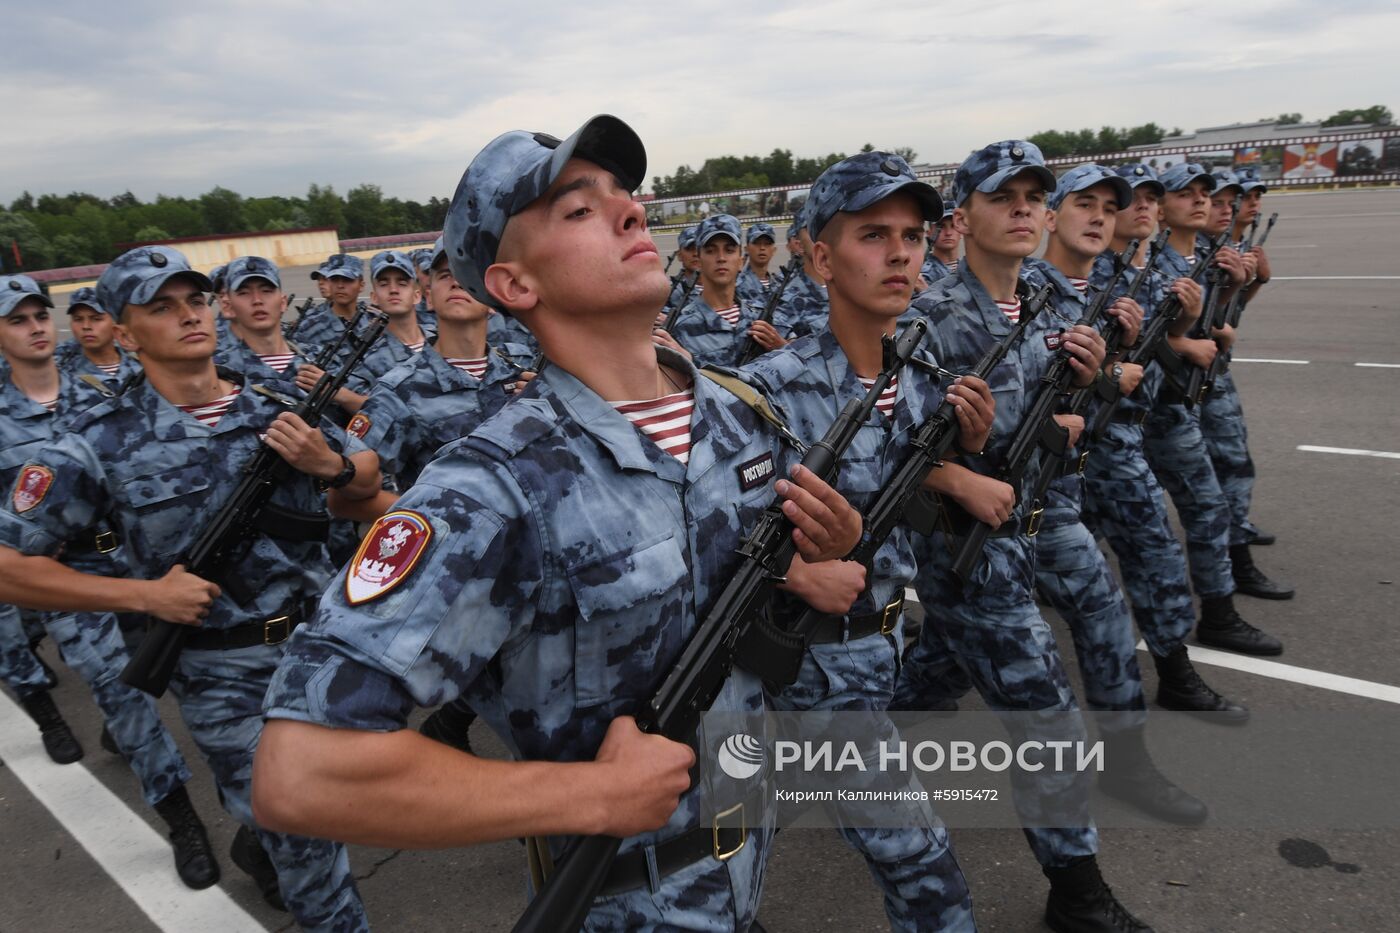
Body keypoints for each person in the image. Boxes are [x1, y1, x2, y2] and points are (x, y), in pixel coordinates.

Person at [252, 114, 862, 932]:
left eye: (626, 197)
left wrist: (817, 556)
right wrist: (590, 793)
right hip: (628, 900)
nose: (631, 213)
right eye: (580, 210)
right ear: (513, 285)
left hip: (748, 864)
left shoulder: (738, 413)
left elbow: (720, 562)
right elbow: (303, 771)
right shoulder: (494, 486)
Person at [0, 246, 382, 930]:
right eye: (161, 307)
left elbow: (364, 488)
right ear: (123, 331)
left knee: (340, 805)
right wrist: (143, 598)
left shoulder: (276, 404)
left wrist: (330, 464)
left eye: (196, 300)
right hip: (220, 671)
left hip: (321, 646)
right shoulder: (93, 443)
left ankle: (259, 839)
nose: (188, 315)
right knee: (308, 848)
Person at [891, 141, 1154, 933]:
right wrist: (955, 475)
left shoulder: (1045, 300)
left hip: (1041, 517)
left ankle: (859, 728)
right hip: (966, 548)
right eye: (1004, 196)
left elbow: (1080, 408)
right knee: (1044, 711)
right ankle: (1076, 891)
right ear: (961, 214)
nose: (1024, 210)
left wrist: (1091, 378)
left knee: (941, 669)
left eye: (1035, 197)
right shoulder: (926, 316)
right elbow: (879, 437)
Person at [738, 151, 989, 931]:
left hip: (883, 644)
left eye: (912, 236)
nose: (901, 254)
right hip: (813, 657)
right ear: (819, 257)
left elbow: (912, 498)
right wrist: (795, 575)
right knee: (925, 869)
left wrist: (959, 459)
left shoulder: (913, 371)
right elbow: (714, 524)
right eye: (872, 234)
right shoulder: (769, 389)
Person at [0, 272, 218, 889]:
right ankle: (180, 817)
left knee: (190, 680)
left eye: (40, 314)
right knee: (121, 690)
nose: (36, 327)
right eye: (17, 319)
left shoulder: (107, 388)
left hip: (143, 558)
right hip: (71, 575)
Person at [1024, 163, 1207, 823]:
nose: (1101, 215)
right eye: (1083, 203)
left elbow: (1128, 390)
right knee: (959, 653)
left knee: (1102, 615)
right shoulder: (1023, 293)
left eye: (1111, 205)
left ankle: (1127, 763)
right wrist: (1105, 377)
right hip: (1001, 506)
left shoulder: (1092, 295)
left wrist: (1123, 354)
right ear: (1051, 217)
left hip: (1060, 494)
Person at [1079, 163, 1251, 721]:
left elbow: (1168, 341)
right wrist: (1166, 346)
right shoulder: (1092, 279)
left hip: (1133, 429)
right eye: (1139, 200)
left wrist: (1195, 323)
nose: (1144, 209)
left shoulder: (1144, 269)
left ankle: (1179, 665)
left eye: (1149, 199)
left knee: (1144, 554)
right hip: (1099, 442)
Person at [1139, 163, 1283, 657]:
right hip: (1152, 409)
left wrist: (1238, 288)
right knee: (1191, 512)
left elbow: (1221, 322)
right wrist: (1184, 342)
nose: (1203, 202)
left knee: (1203, 509)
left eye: (1208, 194)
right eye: (1189, 194)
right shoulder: (1150, 265)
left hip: (1180, 403)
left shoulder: (1201, 257)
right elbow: (1139, 339)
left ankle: (1220, 611)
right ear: (1162, 207)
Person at [1200, 169, 1292, 599]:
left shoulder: (1227, 249)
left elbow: (1230, 314)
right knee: (1223, 470)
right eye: (1221, 201)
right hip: (1189, 381)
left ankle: (1235, 539)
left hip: (1210, 374)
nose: (1239, 207)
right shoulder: (1199, 254)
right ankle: (1234, 560)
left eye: (1248, 198)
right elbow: (1209, 323)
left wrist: (1253, 282)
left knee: (1226, 467)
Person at [658, 214, 792, 368]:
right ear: (699, 262)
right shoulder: (680, 329)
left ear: (741, 261)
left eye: (729, 250)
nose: (721, 258)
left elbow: (801, 366)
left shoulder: (763, 317)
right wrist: (689, 363)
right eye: (710, 250)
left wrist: (781, 347)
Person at [214, 256, 322, 380]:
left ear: (283, 303)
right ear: (228, 307)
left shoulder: (318, 357)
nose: (257, 300)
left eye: (266, 290)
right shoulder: (219, 372)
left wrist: (342, 396)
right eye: (244, 293)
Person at [55, 287, 141, 387]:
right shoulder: (61, 371)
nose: (86, 326)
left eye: (96, 319)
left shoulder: (140, 364)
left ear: (115, 321)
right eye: (78, 319)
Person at [736, 221, 781, 304]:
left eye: (767, 244)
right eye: (756, 243)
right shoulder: (736, 285)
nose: (762, 248)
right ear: (746, 249)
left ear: (774, 250)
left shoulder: (780, 284)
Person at [919, 207, 961, 286]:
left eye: (953, 226)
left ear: (961, 232)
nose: (948, 233)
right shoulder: (923, 275)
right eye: (941, 226)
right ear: (929, 233)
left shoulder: (971, 270)